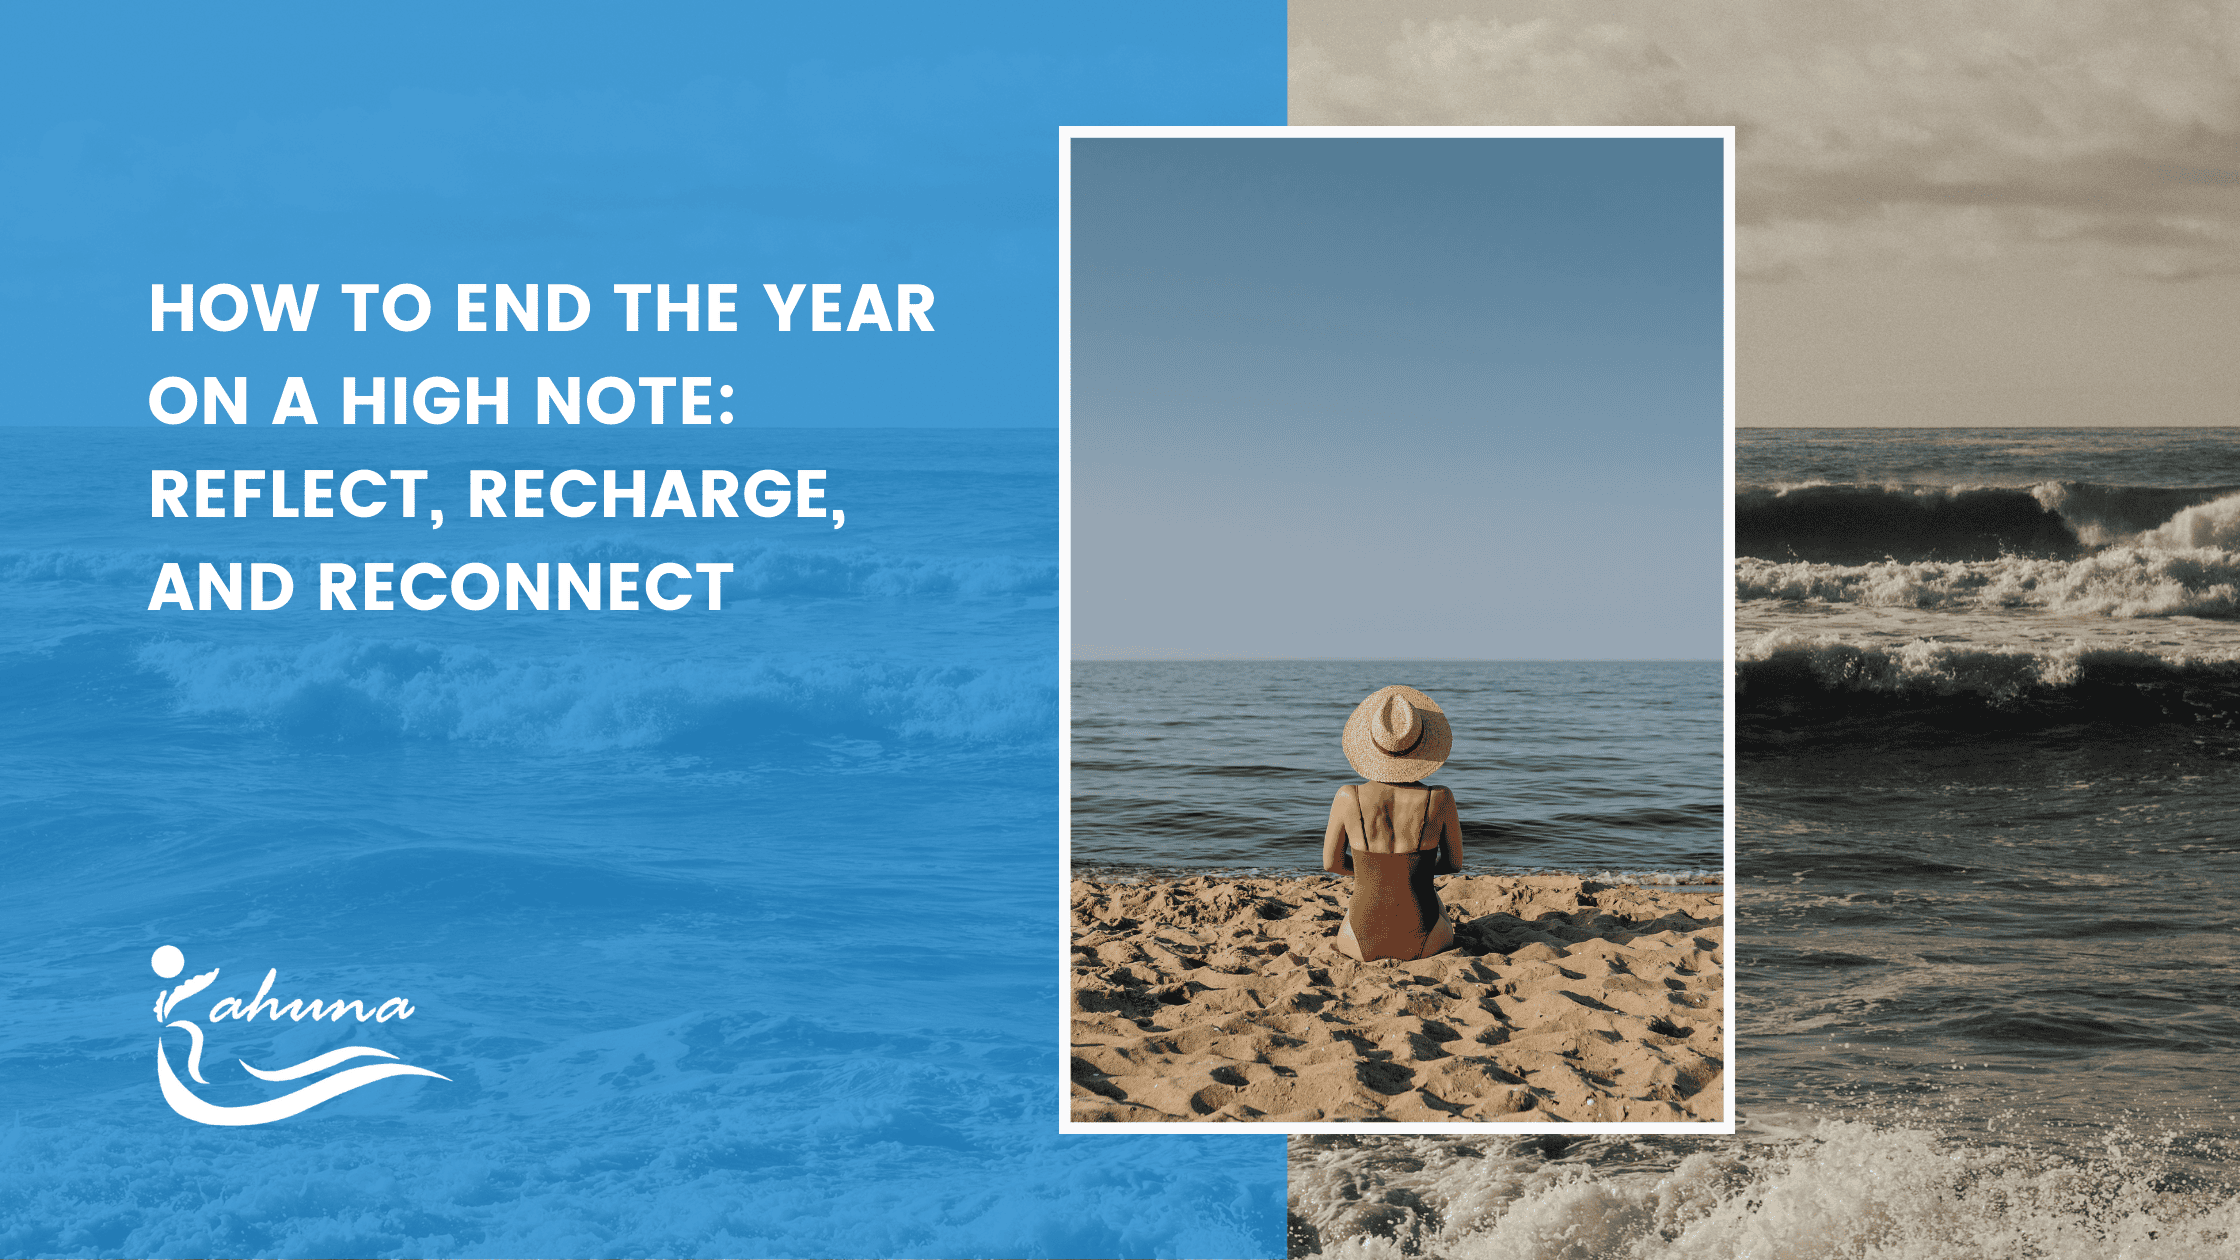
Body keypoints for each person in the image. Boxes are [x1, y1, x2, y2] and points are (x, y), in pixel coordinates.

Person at [1322, 685, 1464, 961]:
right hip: (1426, 937)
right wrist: (1412, 874)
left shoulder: (1347, 796)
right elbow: (1453, 863)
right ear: (1422, 745)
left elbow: (1331, 864)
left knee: (1357, 906)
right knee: (1433, 899)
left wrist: (1373, 875)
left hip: (1360, 939)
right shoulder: (1440, 797)